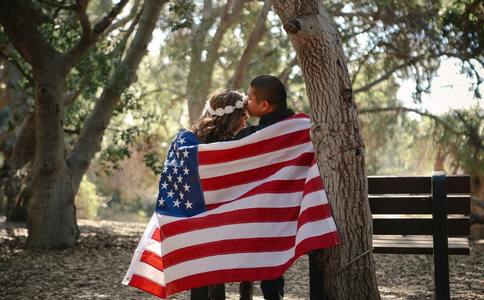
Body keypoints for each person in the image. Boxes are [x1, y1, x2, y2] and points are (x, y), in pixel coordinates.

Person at [235, 75, 294, 300]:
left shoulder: (254, 136)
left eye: (249, 97)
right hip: (291, 217)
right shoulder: (302, 128)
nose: (245, 102)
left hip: (264, 219)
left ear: (264, 105)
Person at [188, 88, 249, 298]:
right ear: (232, 118)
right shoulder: (230, 146)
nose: (246, 120)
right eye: (243, 115)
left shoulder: (193, 141)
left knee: (203, 275)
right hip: (216, 219)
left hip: (198, 220)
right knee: (210, 274)